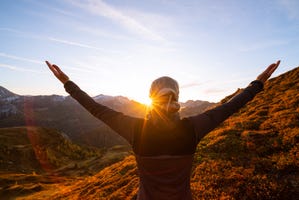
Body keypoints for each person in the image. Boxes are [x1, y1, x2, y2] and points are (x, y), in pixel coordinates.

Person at [46, 60, 280, 200]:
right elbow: (231, 106)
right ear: (178, 97)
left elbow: (95, 108)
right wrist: (258, 83)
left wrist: (67, 83)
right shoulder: (194, 128)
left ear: (150, 97)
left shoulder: (135, 129)